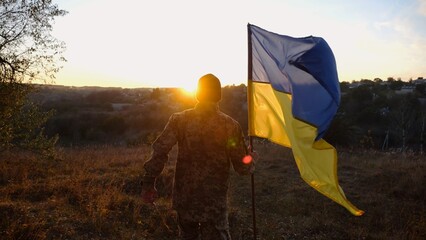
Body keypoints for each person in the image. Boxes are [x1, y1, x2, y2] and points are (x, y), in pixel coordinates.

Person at [141, 73, 254, 240]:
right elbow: (243, 167)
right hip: (214, 205)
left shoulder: (179, 120)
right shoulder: (229, 125)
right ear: (218, 96)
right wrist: (251, 158)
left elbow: (160, 149)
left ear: (198, 94)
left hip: (185, 201)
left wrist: (149, 182)